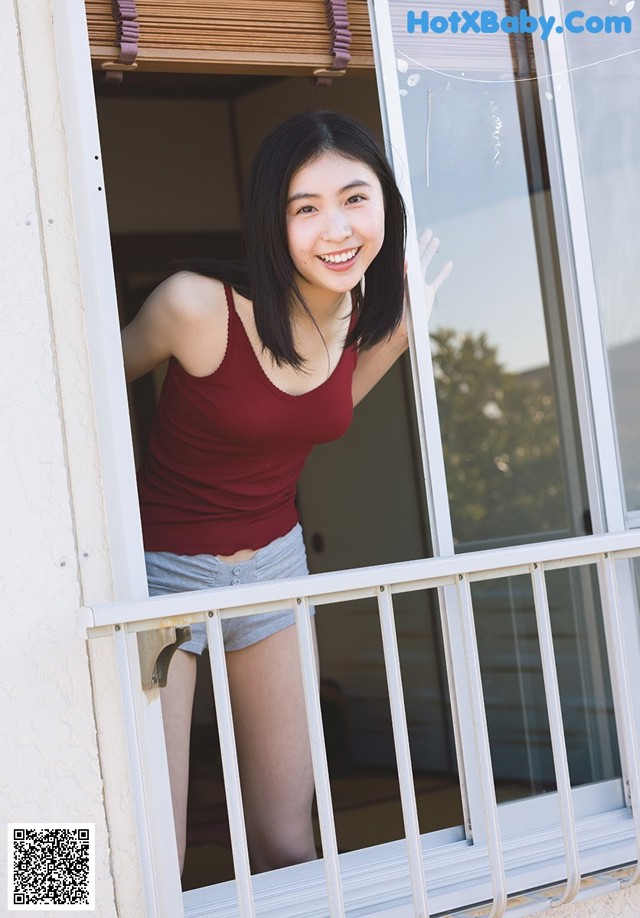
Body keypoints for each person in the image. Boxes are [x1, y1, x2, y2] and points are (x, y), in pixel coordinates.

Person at [121, 110, 449, 876]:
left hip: (273, 568)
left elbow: (320, 409)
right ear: (273, 220)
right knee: (151, 855)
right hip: (156, 575)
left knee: (288, 844)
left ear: (386, 209)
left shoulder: (364, 317)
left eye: (355, 198)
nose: (336, 227)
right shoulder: (194, 307)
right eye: (307, 207)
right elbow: (81, 393)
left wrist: (400, 337)